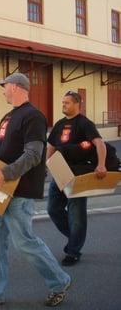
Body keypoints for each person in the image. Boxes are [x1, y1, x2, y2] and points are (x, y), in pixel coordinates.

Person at [0, 73, 71, 308]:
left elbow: (34, 155)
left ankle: (59, 281)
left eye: (5, 87)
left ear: (15, 87)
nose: (3, 90)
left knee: (24, 242)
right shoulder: (8, 117)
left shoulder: (33, 117)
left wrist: (6, 173)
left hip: (19, 191)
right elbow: (0, 150)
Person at [46, 90, 119, 266]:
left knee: (76, 214)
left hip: (77, 176)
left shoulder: (85, 124)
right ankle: (75, 238)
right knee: (53, 209)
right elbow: (50, 145)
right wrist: (48, 164)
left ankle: (73, 251)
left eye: (67, 103)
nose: (63, 105)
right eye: (62, 103)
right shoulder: (59, 124)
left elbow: (99, 144)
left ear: (78, 104)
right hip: (59, 173)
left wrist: (101, 165)